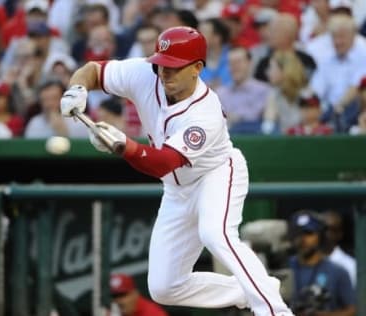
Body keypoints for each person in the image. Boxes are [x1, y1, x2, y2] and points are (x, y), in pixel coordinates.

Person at [60, 26, 293, 316]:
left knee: (215, 234)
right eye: (160, 64)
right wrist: (77, 88)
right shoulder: (145, 74)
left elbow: (163, 162)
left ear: (197, 68)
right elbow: (93, 70)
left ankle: (275, 310)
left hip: (215, 173)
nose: (164, 72)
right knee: (164, 287)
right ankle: (252, 288)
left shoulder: (205, 112)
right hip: (177, 188)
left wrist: (123, 146)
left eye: (173, 67)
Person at [287, 210, 356, 316]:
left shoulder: (337, 271)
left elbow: (352, 310)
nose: (302, 239)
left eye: (308, 233)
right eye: (298, 233)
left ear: (320, 236)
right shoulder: (284, 267)